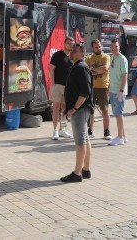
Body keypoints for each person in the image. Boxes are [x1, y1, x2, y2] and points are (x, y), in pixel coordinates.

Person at [60, 43, 94, 182]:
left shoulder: (81, 68)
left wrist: (74, 108)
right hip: (80, 108)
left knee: (80, 141)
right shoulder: (77, 67)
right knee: (85, 138)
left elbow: (85, 93)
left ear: (82, 54)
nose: (71, 52)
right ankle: (85, 170)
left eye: (75, 51)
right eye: (71, 50)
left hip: (80, 109)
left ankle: (77, 173)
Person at [49, 37, 74, 140]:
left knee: (64, 108)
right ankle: (55, 131)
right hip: (58, 86)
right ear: (64, 43)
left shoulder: (73, 56)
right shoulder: (57, 55)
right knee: (56, 107)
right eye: (68, 43)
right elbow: (51, 69)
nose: (70, 45)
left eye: (72, 44)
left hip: (68, 87)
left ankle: (62, 130)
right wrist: (53, 83)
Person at [86, 39, 111, 140]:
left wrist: (93, 70)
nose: (98, 48)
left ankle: (106, 131)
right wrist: (97, 70)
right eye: (96, 47)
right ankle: (89, 130)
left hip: (103, 87)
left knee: (104, 110)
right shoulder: (89, 58)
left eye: (99, 46)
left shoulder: (106, 57)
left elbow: (105, 68)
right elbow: (86, 71)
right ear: (93, 48)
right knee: (90, 110)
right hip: (91, 87)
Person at [108, 39, 128, 146]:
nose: (114, 48)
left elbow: (124, 75)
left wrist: (121, 90)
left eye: (116, 46)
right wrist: (108, 88)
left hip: (119, 91)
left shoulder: (122, 59)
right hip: (112, 90)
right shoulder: (111, 58)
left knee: (118, 114)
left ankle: (120, 137)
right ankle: (123, 136)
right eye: (112, 47)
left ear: (119, 46)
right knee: (118, 114)